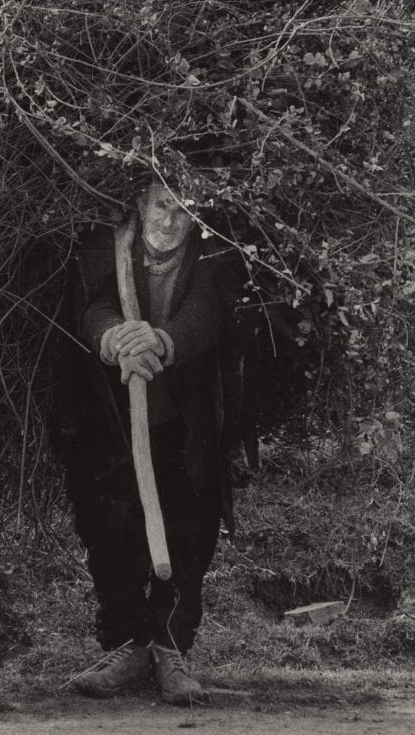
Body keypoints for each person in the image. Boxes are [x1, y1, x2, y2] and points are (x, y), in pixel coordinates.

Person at [55, 178, 245, 705]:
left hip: (184, 425)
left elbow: (207, 312)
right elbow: (89, 305)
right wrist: (116, 337)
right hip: (111, 425)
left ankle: (169, 651)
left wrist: (160, 340)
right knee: (110, 532)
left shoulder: (212, 257)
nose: (169, 221)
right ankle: (127, 647)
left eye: (184, 211)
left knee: (188, 534)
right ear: (140, 201)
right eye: (162, 204)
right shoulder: (105, 244)